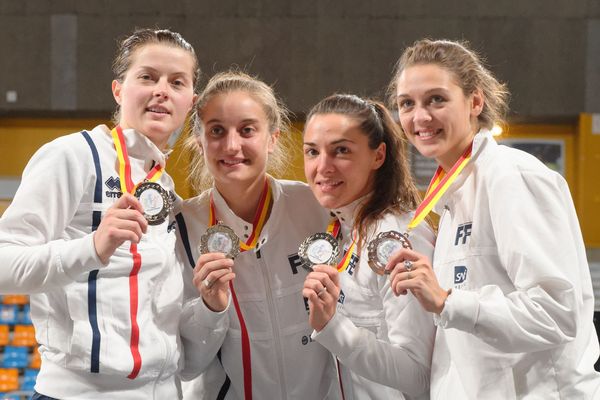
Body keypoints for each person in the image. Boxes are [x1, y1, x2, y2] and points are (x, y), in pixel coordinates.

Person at [387, 38, 600, 399]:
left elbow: (556, 312)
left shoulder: (510, 177)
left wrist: (447, 301)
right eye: (407, 103)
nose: (420, 117)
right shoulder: (454, 195)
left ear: (475, 101)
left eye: (436, 99)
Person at [0, 28, 203, 399]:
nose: (162, 89)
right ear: (118, 90)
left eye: (177, 82)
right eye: (147, 76)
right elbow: (3, 265)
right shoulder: (72, 156)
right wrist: (91, 247)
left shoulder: (166, 188)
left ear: (191, 101)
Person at [175, 71, 341, 399]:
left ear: (273, 137)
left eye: (247, 130)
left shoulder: (318, 207)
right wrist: (210, 309)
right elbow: (187, 365)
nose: (232, 145)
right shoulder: (180, 227)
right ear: (199, 141)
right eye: (217, 131)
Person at [301, 94, 436, 399]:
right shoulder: (343, 226)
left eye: (341, 151)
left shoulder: (397, 237)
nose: (323, 167)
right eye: (312, 151)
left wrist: (332, 326)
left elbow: (420, 376)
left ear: (378, 156)